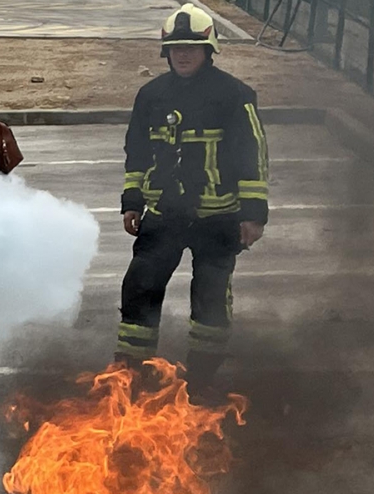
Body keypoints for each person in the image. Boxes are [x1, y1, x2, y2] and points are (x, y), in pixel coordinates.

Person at [116, 3, 270, 391]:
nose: (182, 54)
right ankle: (132, 372)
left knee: (210, 299)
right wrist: (132, 201)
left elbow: (252, 153)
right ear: (166, 52)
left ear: (209, 50)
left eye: (191, 47)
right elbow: (137, 151)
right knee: (140, 288)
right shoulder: (150, 95)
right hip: (164, 214)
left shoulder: (235, 95)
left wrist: (253, 214)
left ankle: (201, 377)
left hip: (217, 217)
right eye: (175, 48)